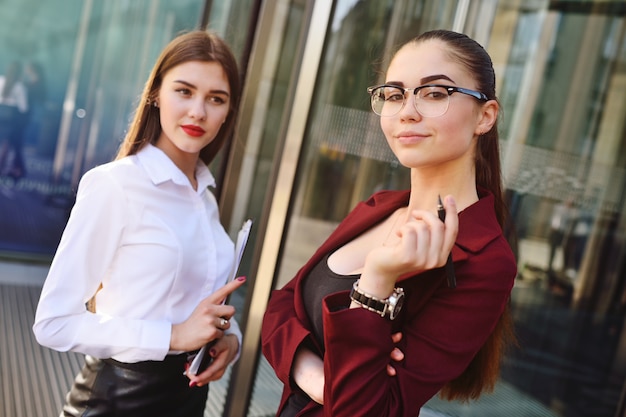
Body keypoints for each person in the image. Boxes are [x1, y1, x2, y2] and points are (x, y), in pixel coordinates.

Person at [261, 29, 517, 417]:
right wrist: (316, 377)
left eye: (434, 93)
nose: (407, 111)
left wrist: (376, 284)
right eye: (395, 95)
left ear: (485, 116)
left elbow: (367, 410)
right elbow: (278, 307)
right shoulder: (379, 208)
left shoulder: (486, 260)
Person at [33, 30, 244, 417]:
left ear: (228, 111)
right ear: (155, 94)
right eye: (184, 91)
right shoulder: (115, 185)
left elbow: (195, 297)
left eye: (216, 99)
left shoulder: (204, 197)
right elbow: (53, 323)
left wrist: (229, 341)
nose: (199, 111)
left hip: (188, 400)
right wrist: (173, 336)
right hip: (119, 401)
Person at [0, 60, 28, 179]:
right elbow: (23, 107)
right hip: (10, 119)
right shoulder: (19, 86)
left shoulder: (1, 80)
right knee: (5, 146)